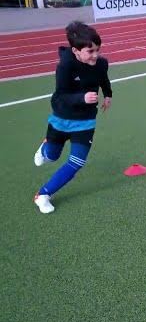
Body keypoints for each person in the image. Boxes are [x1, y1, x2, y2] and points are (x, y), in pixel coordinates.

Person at [33, 21, 112, 213]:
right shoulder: (65, 66)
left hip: (85, 122)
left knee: (77, 162)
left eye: (97, 50)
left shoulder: (101, 63)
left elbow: (103, 79)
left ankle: (43, 194)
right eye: (90, 51)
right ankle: (45, 148)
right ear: (76, 51)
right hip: (61, 119)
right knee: (52, 156)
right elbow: (59, 97)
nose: (96, 55)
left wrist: (108, 94)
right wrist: (82, 97)